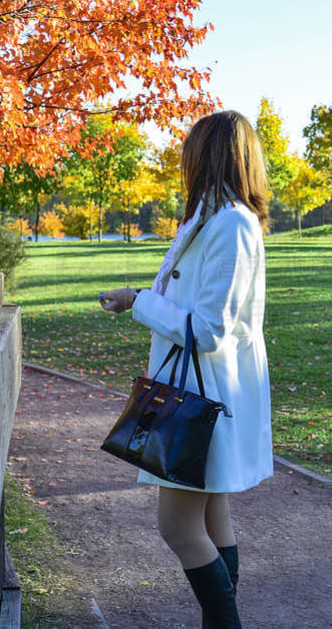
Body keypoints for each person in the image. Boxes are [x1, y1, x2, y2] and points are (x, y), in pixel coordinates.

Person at [98, 110, 272, 628]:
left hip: (207, 395)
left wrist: (139, 302)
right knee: (210, 514)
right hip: (202, 394)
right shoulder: (210, 217)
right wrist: (142, 298)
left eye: (191, 149)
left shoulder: (231, 224)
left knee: (177, 526)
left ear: (210, 155)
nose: (183, 159)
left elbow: (209, 330)